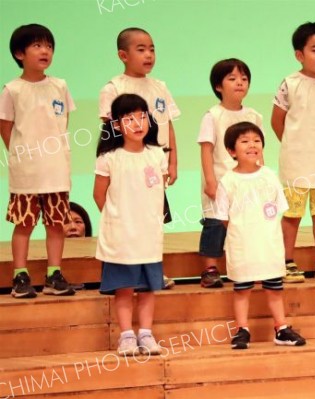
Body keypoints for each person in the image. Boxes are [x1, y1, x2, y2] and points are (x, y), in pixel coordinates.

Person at [99, 27, 180, 289]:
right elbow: (109, 128)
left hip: (154, 165)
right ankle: (125, 273)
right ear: (123, 55)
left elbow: (169, 125)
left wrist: (172, 162)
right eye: (141, 49)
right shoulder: (114, 88)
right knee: (129, 220)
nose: (149, 55)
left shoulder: (160, 86)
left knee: (153, 217)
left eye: (152, 49)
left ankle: (154, 272)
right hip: (127, 168)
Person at [0, 24, 76, 299]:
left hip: (56, 170)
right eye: (37, 46)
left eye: (49, 46)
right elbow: (6, 126)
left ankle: (53, 274)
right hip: (27, 173)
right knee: (24, 223)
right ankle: (20, 275)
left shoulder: (60, 86)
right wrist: (22, 155)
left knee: (56, 223)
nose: (45, 51)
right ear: (20, 53)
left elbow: (63, 122)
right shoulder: (12, 89)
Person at [215, 121, 306, 350]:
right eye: (244, 141)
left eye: (256, 141)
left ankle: (281, 328)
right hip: (242, 244)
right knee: (242, 289)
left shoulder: (269, 175)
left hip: (269, 244)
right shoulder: (228, 181)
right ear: (231, 151)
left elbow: (278, 208)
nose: (252, 145)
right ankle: (242, 329)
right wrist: (241, 232)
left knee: (274, 287)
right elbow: (223, 216)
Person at [93, 94, 166, 356]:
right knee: (124, 290)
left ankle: (145, 333)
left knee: (148, 289)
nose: (137, 123)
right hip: (121, 237)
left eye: (142, 116)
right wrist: (118, 220)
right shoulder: (109, 158)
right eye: (129, 118)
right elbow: (99, 194)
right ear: (116, 125)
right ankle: (126, 335)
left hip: (149, 236)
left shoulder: (157, 154)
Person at [271, 22, 315, 283]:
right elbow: (277, 120)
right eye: (314, 49)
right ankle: (285, 261)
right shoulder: (290, 83)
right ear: (299, 55)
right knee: (292, 216)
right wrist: (293, 146)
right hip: (296, 166)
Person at [197, 58, 262, 289]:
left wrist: (261, 178)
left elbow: (258, 150)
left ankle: (248, 266)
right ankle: (210, 269)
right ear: (218, 86)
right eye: (232, 78)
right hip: (221, 181)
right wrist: (210, 181)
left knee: (245, 225)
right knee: (215, 224)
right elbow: (206, 149)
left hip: (247, 184)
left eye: (244, 79)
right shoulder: (212, 115)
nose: (239, 83)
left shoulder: (253, 116)